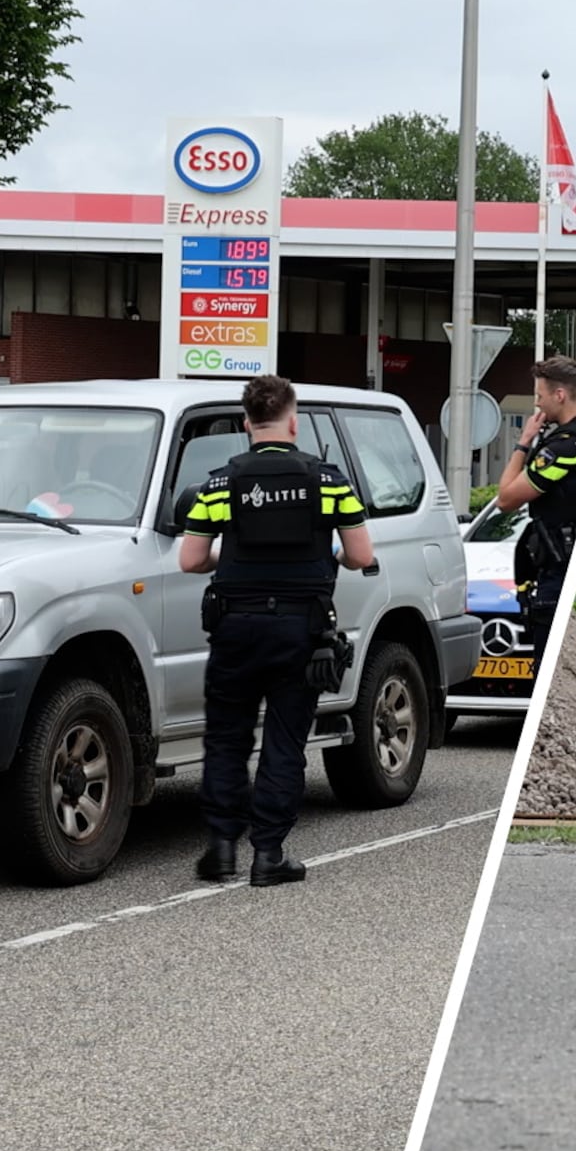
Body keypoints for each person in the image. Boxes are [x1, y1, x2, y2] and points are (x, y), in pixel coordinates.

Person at [179, 375, 374, 886]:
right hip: (300, 631)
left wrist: (235, 556)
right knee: (285, 740)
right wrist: (325, 552)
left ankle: (221, 850)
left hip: (235, 628)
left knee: (226, 739)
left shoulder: (219, 483)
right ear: (293, 421)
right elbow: (361, 556)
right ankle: (269, 856)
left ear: (247, 425)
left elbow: (190, 560)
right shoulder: (328, 481)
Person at [493, 354, 576, 677]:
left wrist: (524, 442)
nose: (538, 406)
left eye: (540, 397)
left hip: (558, 566)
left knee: (549, 670)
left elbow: (506, 498)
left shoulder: (563, 449)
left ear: (560, 395)